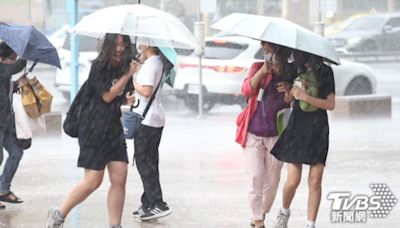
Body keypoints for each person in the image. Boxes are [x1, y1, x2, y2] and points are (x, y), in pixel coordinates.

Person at [46, 34, 138, 228]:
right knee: (93, 181)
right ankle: (59, 214)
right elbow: (106, 96)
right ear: (109, 45)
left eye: (123, 44)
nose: (120, 48)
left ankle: (115, 225)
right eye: (117, 44)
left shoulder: (126, 66)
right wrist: (128, 75)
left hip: (113, 127)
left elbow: (119, 96)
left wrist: (127, 99)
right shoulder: (99, 66)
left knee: (120, 177)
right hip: (93, 126)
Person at [272, 51, 336, 228]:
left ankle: (310, 224)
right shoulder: (294, 69)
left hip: (318, 129)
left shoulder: (325, 72)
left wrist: (306, 96)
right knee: (293, 180)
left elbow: (331, 104)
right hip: (297, 127)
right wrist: (289, 90)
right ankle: (284, 212)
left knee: (315, 180)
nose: (296, 54)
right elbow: (288, 99)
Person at [235, 41, 293, 228]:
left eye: (273, 53)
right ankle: (257, 219)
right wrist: (262, 73)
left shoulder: (288, 73)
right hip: (253, 132)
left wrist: (289, 91)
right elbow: (245, 90)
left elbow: (290, 102)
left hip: (276, 134)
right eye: (266, 52)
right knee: (255, 176)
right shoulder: (257, 67)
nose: (269, 57)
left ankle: (261, 213)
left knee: (272, 180)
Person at [131, 41, 172, 221]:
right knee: (150, 161)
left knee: (144, 162)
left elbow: (146, 91)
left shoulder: (151, 63)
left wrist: (132, 79)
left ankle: (157, 203)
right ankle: (147, 202)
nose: (140, 44)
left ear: (150, 44)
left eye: (143, 41)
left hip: (146, 120)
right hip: (154, 117)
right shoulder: (158, 61)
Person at [0, 42, 27, 208]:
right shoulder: (2, 69)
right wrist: (25, 57)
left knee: (16, 152)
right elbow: (11, 69)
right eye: (11, 59)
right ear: (1, 59)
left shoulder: (5, 73)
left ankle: (3, 189)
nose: (13, 62)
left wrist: (18, 84)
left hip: (6, 123)